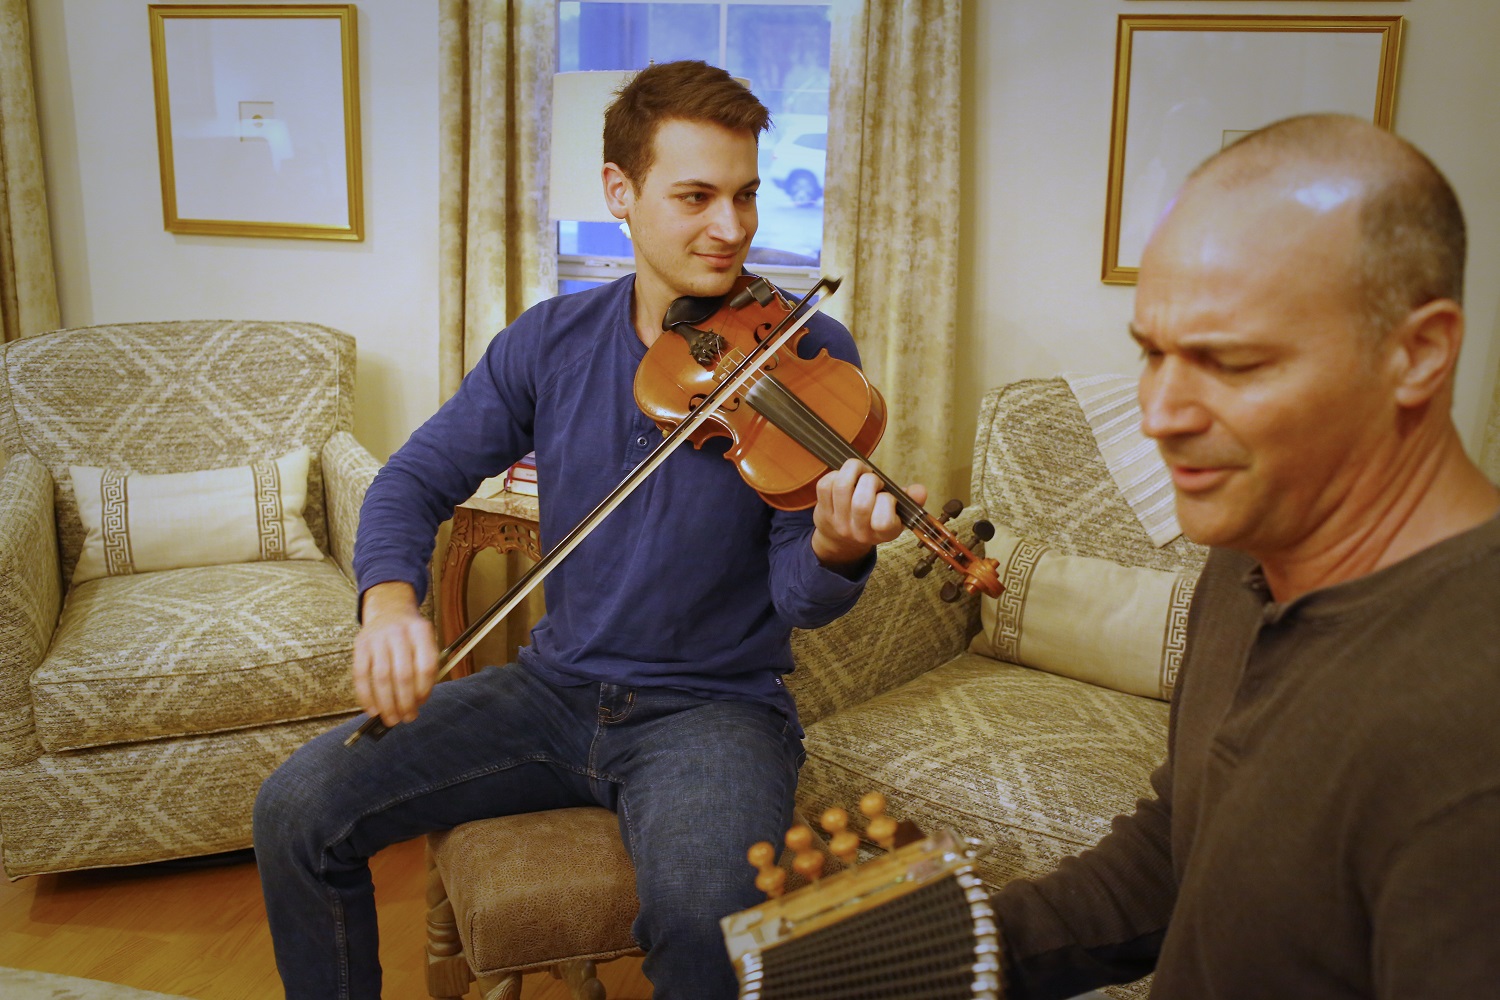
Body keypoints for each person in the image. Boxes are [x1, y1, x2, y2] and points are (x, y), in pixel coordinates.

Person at [253, 60, 918, 1000]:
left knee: (705, 919)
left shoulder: (803, 356)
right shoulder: (550, 340)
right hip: (550, 691)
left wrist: (838, 549)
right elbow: (412, 479)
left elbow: (796, 598)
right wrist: (390, 600)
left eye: (745, 196)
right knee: (297, 809)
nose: (731, 229)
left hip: (713, 712)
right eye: (695, 196)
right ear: (621, 193)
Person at [991, 114, 1500, 997]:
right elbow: (1182, 853)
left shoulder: (1471, 723)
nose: (1161, 413)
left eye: (1228, 362)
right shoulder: (1247, 551)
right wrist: (927, 957)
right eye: (1152, 353)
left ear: (1417, 353)